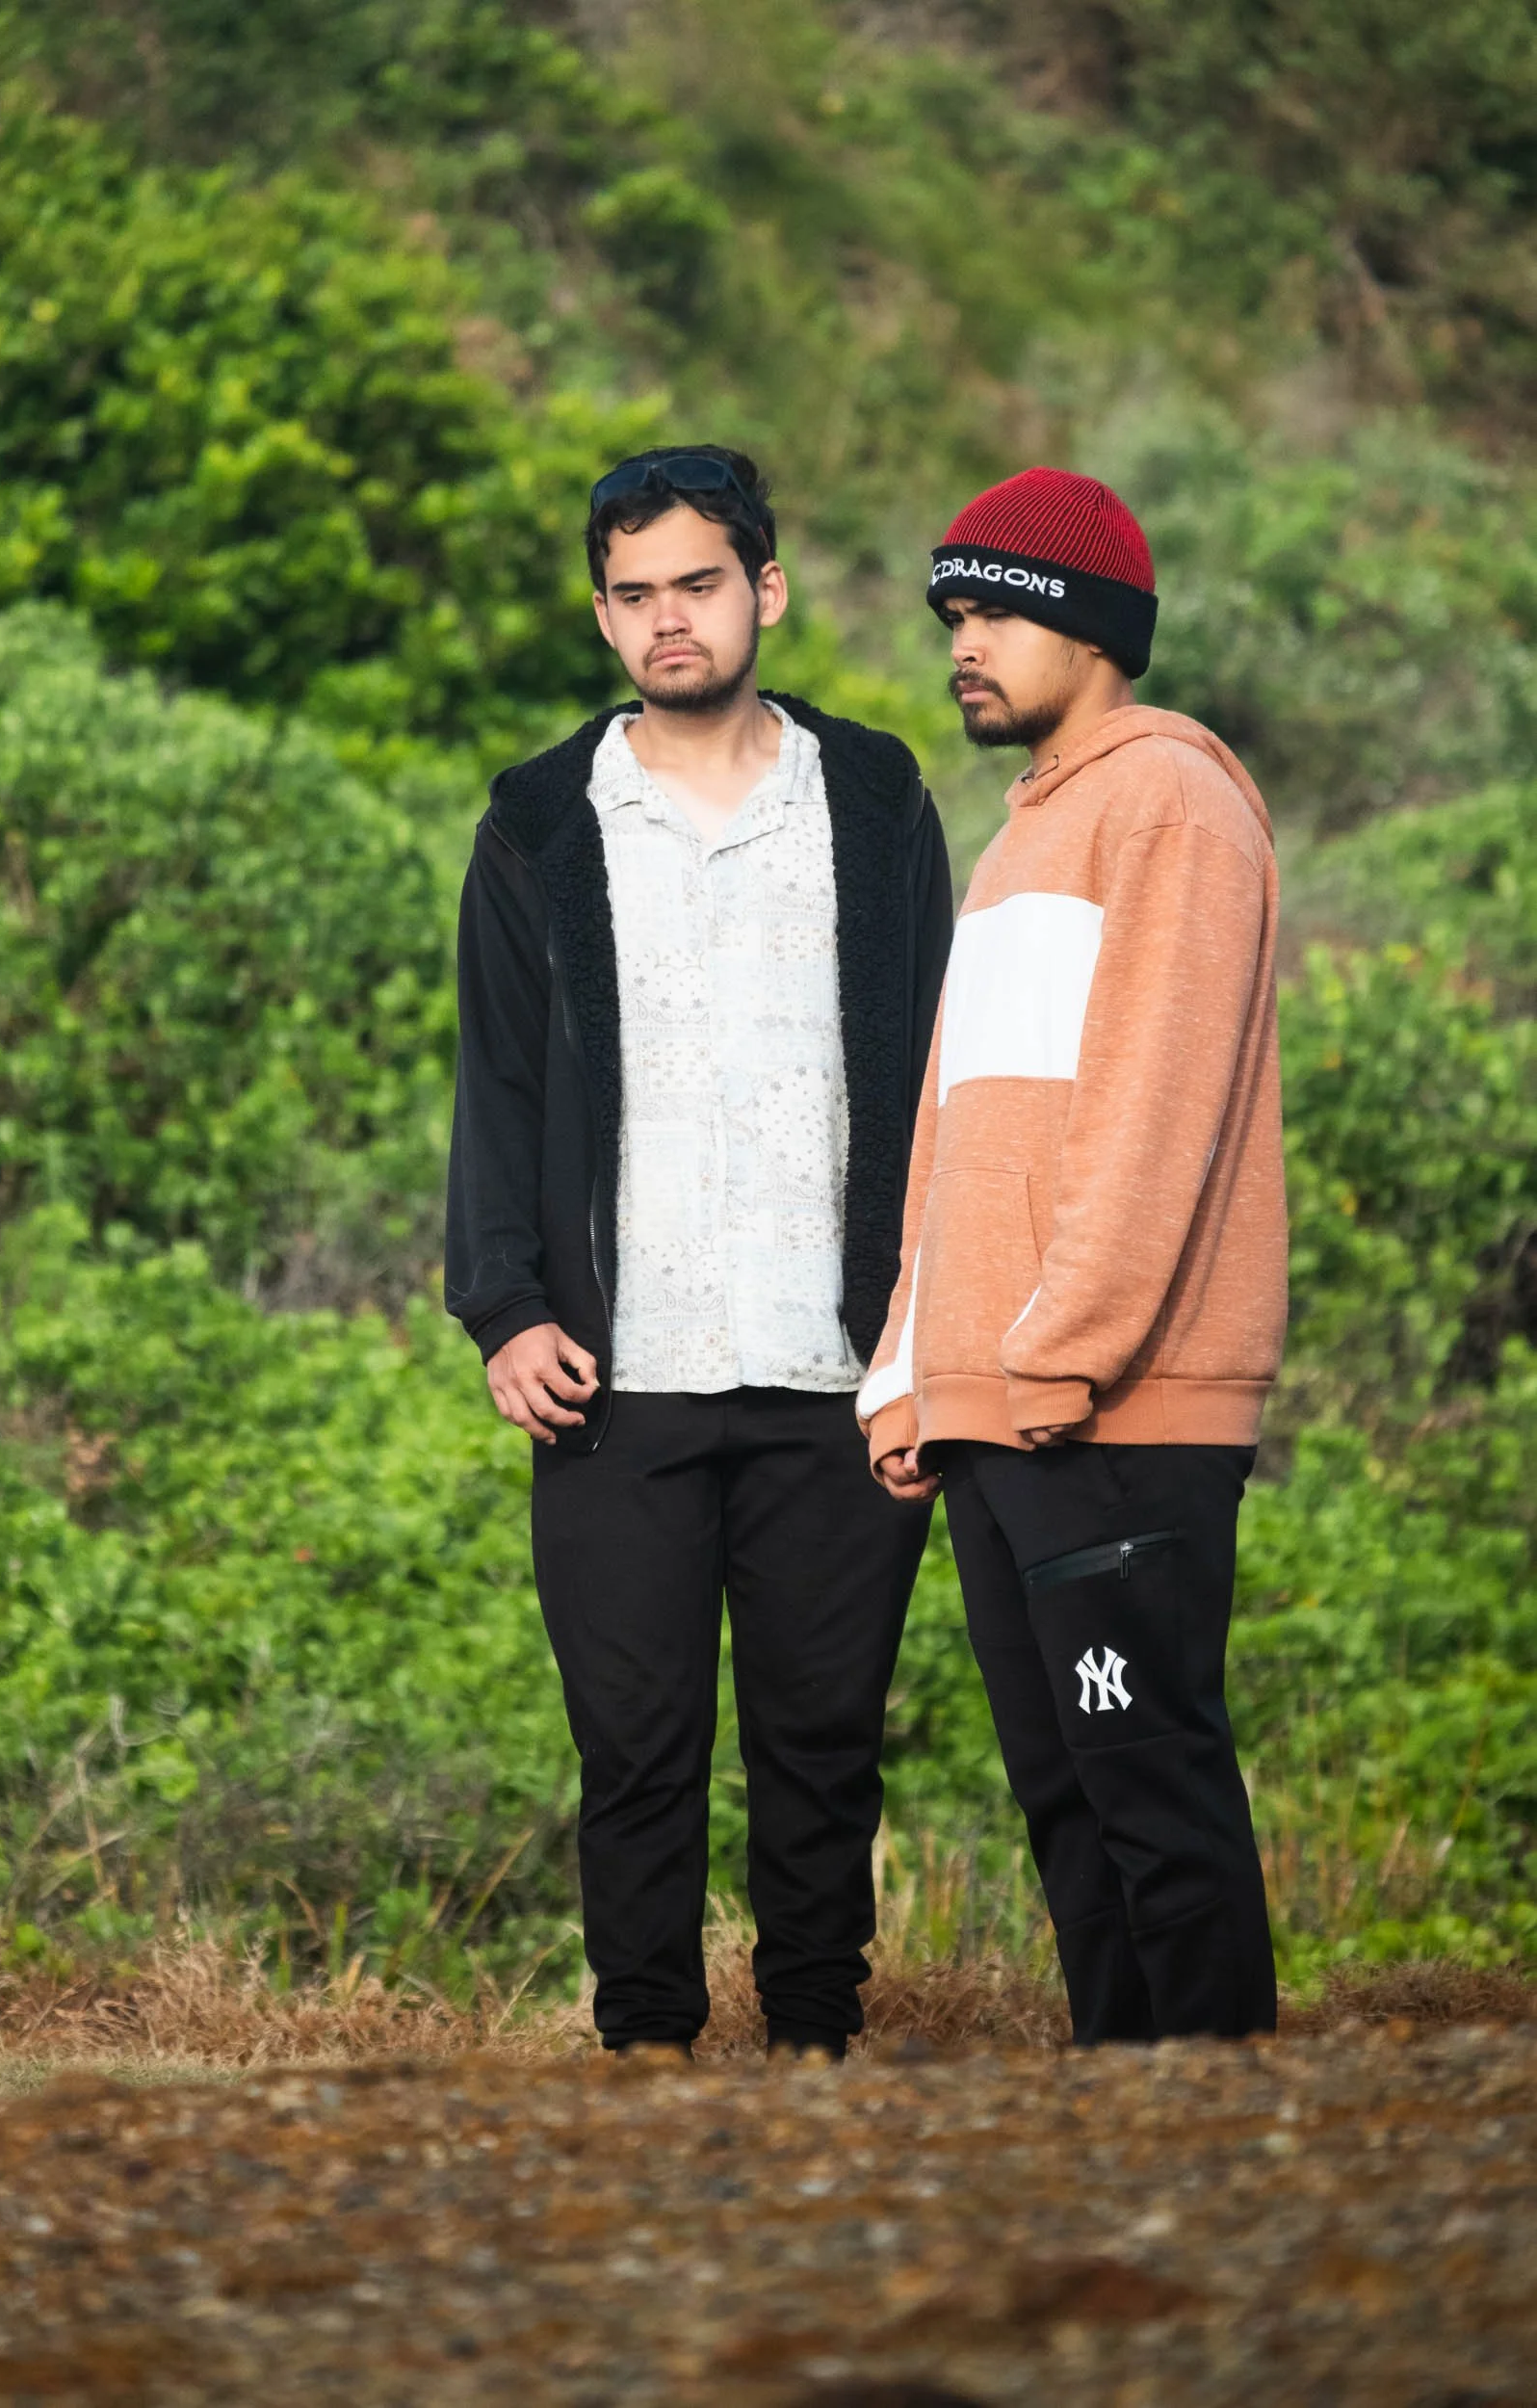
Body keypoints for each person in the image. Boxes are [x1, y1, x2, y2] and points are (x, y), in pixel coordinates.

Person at [447, 444, 951, 2059]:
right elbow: (497, 1079)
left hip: (836, 1363)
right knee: (636, 1745)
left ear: (765, 591)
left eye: (699, 585)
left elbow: (940, 1069)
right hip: (617, 1371)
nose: (670, 621)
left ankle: (816, 2046)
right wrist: (507, 1309)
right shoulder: (537, 819)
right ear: (603, 618)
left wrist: (927, 1329)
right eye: (635, 594)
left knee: (823, 1741)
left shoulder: (872, 798)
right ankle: (645, 2057)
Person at [861, 466, 1286, 2043]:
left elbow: (1154, 1111)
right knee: (1066, 1800)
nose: (960, 642)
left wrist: (1055, 1348)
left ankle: (1217, 2134)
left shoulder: (1170, 800)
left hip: (1109, 1403)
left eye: (988, 611)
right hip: (1002, 1401)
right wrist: (914, 1369)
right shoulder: (1025, 833)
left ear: (1086, 625)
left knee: (1144, 1781)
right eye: (949, 615)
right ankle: (1124, 2138)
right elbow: (961, 1133)